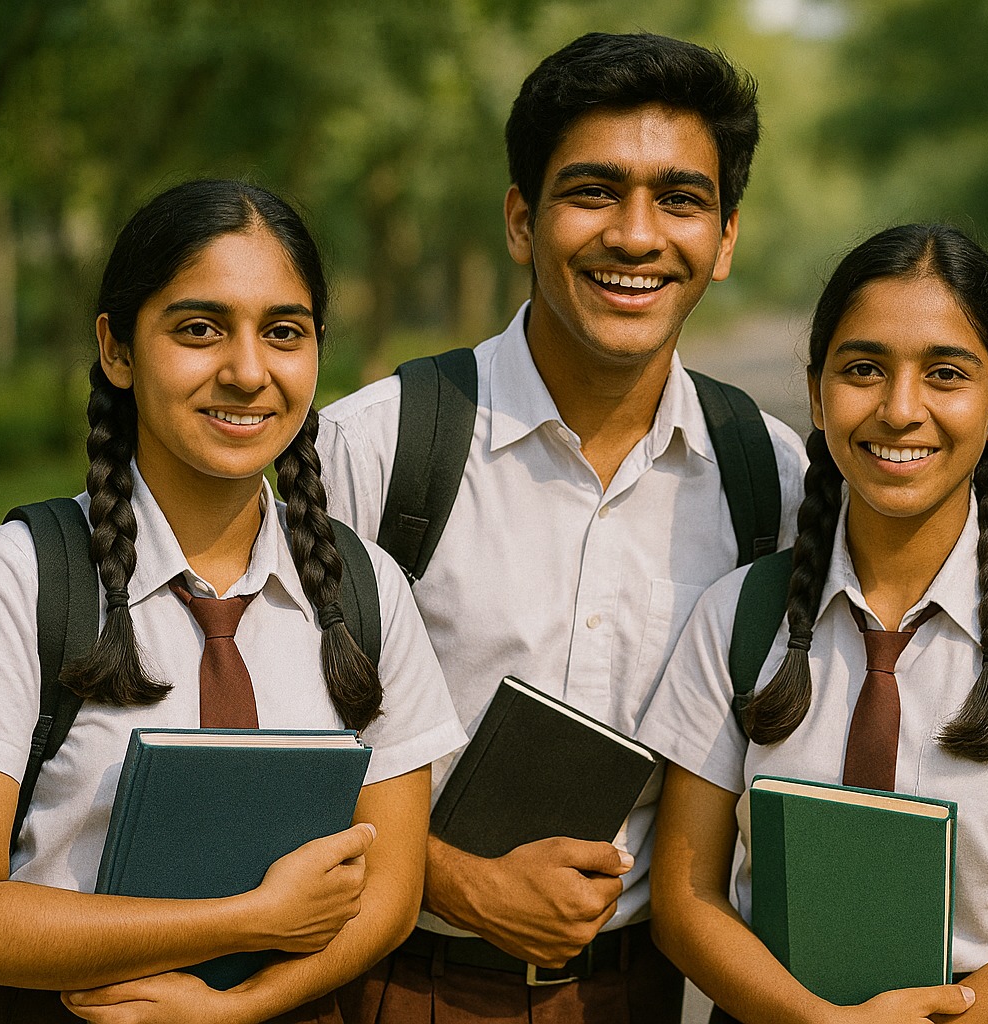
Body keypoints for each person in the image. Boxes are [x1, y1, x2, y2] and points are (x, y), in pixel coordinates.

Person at [316, 31, 806, 1024]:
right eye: (592, 192)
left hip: (645, 995)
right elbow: (264, 742)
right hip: (390, 982)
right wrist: (449, 878)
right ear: (519, 220)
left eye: (680, 198)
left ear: (724, 239)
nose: (636, 235)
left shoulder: (774, 479)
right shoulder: (373, 452)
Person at [0, 179, 466, 1024]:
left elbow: (392, 890)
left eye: (283, 333)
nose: (248, 372)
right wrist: (246, 922)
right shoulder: (12, 582)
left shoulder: (364, 588)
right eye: (199, 329)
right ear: (117, 349)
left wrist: (242, 1007)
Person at [640, 223, 988, 1024]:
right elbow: (684, 896)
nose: (900, 409)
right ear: (815, 392)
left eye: (945, 374)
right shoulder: (739, 616)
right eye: (864, 369)